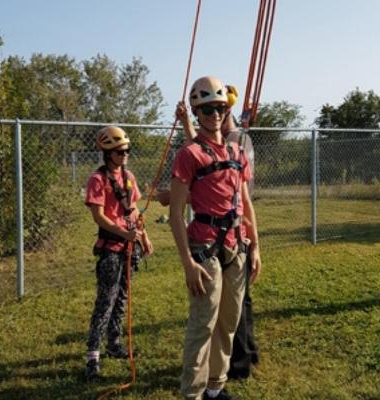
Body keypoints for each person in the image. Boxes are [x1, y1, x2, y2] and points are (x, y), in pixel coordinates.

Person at [168, 76, 262, 400]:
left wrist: (256, 246)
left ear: (226, 110)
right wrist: (188, 264)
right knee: (203, 326)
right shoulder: (189, 154)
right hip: (205, 250)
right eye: (207, 110)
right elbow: (176, 213)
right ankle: (192, 394)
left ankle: (214, 388)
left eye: (219, 108)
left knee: (228, 323)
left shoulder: (237, 150)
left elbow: (246, 203)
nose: (214, 115)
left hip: (237, 247)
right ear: (197, 112)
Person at [84, 126, 154, 380]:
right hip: (111, 250)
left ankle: (114, 344)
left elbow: (133, 210)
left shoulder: (128, 177)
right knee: (105, 302)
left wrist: (143, 237)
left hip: (128, 249)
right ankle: (92, 357)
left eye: (127, 151)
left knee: (122, 298)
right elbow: (99, 216)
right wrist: (124, 234)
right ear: (108, 153)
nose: (125, 155)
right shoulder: (98, 180)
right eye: (120, 151)